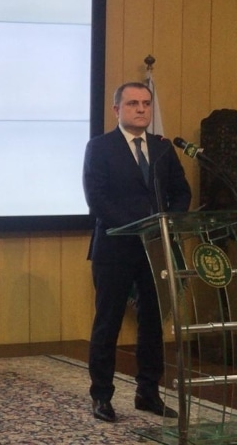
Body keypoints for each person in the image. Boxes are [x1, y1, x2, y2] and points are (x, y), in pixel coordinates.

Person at [83, 81, 191, 423]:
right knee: (108, 323)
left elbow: (182, 192)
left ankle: (149, 392)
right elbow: (97, 198)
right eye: (133, 103)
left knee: (152, 326)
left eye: (146, 103)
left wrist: (167, 223)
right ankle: (102, 396)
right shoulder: (99, 147)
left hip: (155, 250)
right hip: (115, 247)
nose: (142, 109)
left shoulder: (162, 149)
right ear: (117, 110)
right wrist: (138, 227)